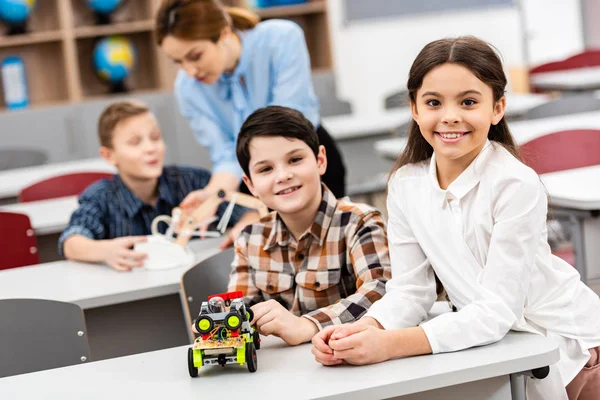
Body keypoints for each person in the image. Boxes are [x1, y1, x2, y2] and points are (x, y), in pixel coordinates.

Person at [311, 37, 600, 400]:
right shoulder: (405, 184)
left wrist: (389, 344)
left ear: (497, 109)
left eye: (468, 102)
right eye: (433, 102)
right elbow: (411, 290)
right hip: (499, 346)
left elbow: (498, 310)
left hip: (570, 349)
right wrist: (363, 330)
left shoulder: (515, 183)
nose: (450, 116)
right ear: (414, 109)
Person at [214, 105, 390, 346]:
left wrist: (308, 325)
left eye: (295, 160)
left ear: (320, 160)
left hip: (349, 363)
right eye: (266, 169)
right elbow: (242, 303)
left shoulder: (359, 222)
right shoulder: (249, 238)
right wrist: (226, 318)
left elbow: (380, 290)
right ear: (251, 184)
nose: (283, 175)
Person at [155, 0, 347, 210]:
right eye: (178, 62)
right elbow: (226, 154)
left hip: (304, 161)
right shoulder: (187, 88)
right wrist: (212, 196)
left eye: (195, 56)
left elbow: (287, 122)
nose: (190, 71)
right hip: (255, 176)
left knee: (328, 236)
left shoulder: (281, 39)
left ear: (224, 33)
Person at [59, 100, 256, 271]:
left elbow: (249, 213)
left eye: (155, 138)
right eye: (135, 142)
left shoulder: (193, 181)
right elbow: (71, 242)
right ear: (109, 155)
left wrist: (244, 227)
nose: (150, 148)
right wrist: (105, 251)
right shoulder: (100, 196)